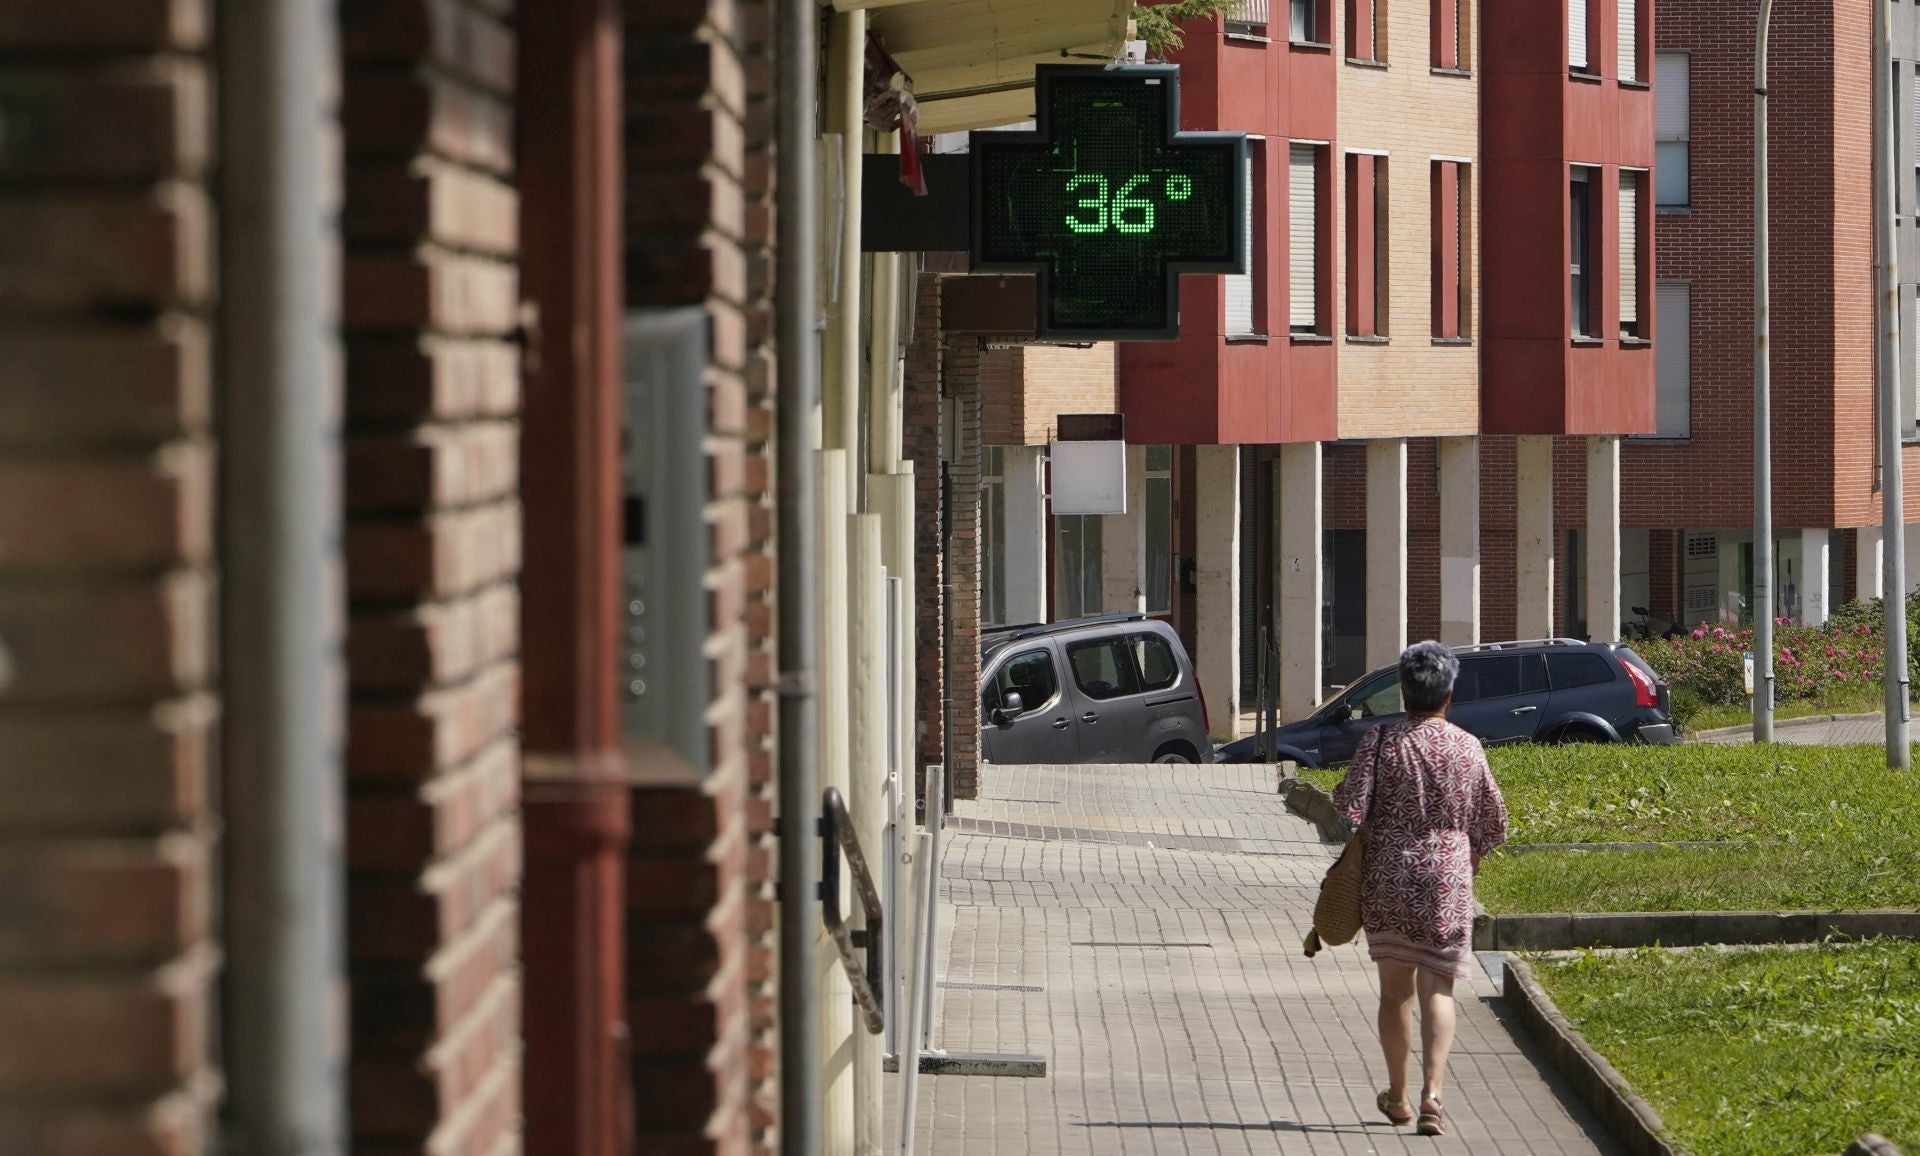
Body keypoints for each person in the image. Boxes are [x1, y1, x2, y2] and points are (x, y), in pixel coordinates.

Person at [1331, 640, 1508, 1138]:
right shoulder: (1468, 746)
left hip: (1388, 877)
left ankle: (1398, 1096)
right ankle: (1434, 1095)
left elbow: (1349, 805)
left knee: (1395, 994)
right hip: (1447, 881)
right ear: (1449, 693)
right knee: (1439, 989)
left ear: (1403, 692)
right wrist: (1468, 855)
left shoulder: (1380, 739)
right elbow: (1495, 821)